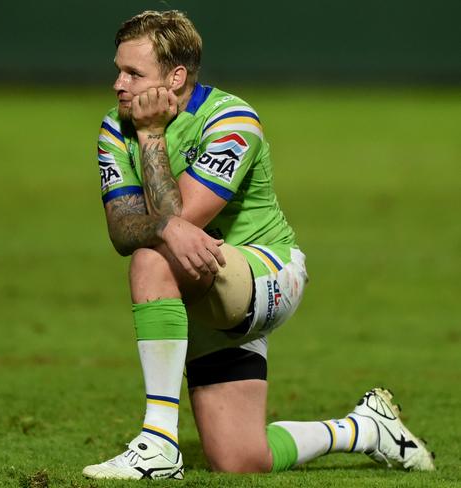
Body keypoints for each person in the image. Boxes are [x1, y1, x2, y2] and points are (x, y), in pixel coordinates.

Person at [84, 10, 435, 480]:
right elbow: (121, 229)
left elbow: (180, 221)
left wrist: (151, 136)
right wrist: (157, 222)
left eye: (133, 73)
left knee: (154, 256)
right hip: (199, 284)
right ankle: (365, 429)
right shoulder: (113, 127)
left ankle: (158, 442)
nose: (118, 85)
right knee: (239, 459)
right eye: (117, 70)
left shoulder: (231, 119)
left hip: (266, 274)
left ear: (176, 76)